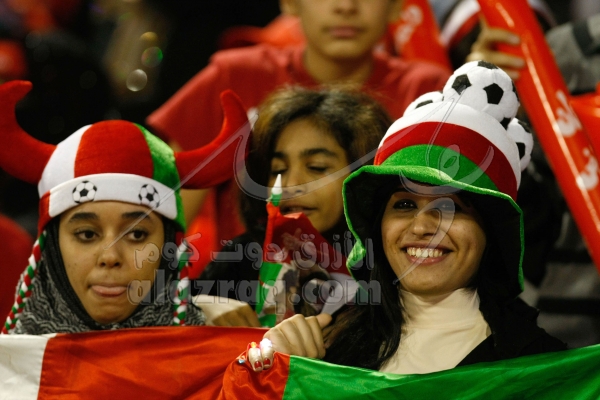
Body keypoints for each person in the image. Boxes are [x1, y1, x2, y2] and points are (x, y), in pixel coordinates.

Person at [251, 61, 567, 374]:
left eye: (452, 207)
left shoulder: (544, 372)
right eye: (404, 205)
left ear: (491, 229)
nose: (422, 226)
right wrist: (271, 373)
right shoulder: (324, 350)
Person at [146, 0, 451, 275]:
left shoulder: (429, 91)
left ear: (397, 6)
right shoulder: (235, 75)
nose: (346, 6)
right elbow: (163, 215)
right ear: (290, 3)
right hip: (243, 293)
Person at [0, 80, 250, 334]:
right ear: (52, 245)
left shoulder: (222, 349)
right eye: (87, 234)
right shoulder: (12, 357)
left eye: (137, 234)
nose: (110, 257)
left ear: (169, 247)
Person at [197, 86, 392, 327]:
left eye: (317, 167)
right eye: (278, 170)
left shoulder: (392, 260)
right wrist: (201, 307)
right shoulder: (242, 258)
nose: (290, 185)